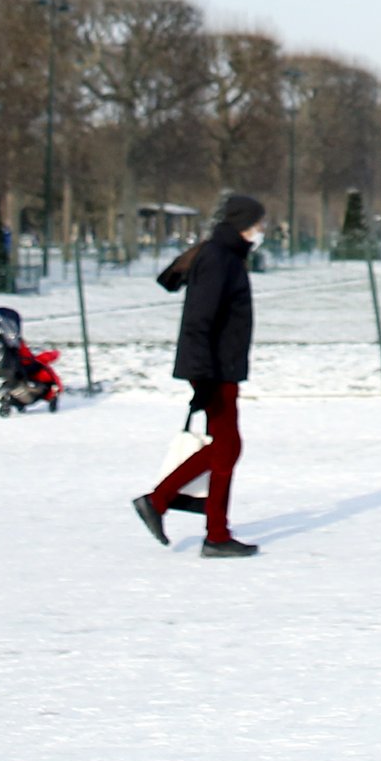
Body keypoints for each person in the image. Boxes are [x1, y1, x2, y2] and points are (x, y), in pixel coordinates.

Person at [135, 192, 264, 557]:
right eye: (257, 223)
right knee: (227, 446)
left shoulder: (225, 256)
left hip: (221, 367)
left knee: (226, 448)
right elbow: (198, 321)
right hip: (214, 369)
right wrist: (203, 377)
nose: (261, 230)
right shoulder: (219, 258)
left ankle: (211, 530)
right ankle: (163, 503)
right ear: (241, 224)